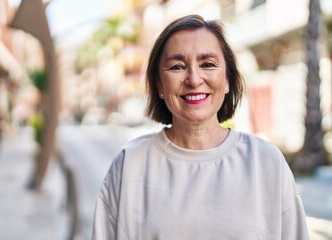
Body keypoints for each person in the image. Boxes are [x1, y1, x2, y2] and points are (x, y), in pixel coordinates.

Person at [92, 15, 309, 239]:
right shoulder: (130, 164)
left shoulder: (266, 162)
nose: (194, 79)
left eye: (208, 64)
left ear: (227, 80)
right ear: (159, 85)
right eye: (177, 66)